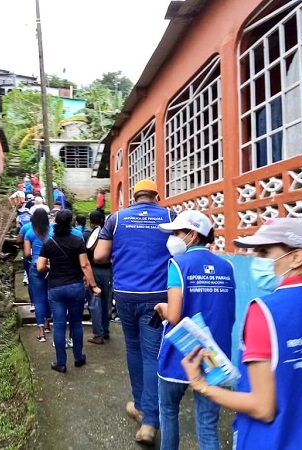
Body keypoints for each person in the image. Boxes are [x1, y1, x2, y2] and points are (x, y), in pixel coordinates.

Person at [182, 218, 302, 450]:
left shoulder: (264, 312)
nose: (257, 261)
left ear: (296, 257)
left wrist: (201, 385)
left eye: (265, 252)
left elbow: (262, 408)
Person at [94, 179, 176, 445]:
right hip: (157, 297)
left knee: (133, 349)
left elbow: (99, 255)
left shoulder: (116, 219)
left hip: (126, 296)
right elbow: (182, 250)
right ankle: (150, 421)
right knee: (152, 354)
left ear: (134, 196)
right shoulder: (170, 216)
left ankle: (141, 406)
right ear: (156, 196)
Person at [154, 211, 235, 450]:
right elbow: (227, 312)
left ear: (192, 235)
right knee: (208, 424)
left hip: (180, 352)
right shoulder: (227, 266)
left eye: (177, 233)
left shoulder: (178, 265)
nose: (173, 238)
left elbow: (175, 315)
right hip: (213, 353)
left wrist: (162, 307)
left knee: (168, 411)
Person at [37, 209, 101, 373]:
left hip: (56, 288)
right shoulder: (77, 240)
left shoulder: (48, 242)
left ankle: (61, 363)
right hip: (75, 287)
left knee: (58, 326)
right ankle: (79, 358)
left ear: (56, 221)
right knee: (76, 323)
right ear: (72, 222)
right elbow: (85, 265)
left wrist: (50, 268)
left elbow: (40, 266)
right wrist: (93, 285)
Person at [24, 209, 53, 342]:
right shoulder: (52, 231)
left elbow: (27, 254)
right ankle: (48, 324)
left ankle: (41, 333)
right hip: (49, 266)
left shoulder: (29, 232)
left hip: (35, 267)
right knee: (48, 296)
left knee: (39, 299)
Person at [86, 210, 113, 345]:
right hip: (108, 270)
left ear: (90, 221)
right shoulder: (110, 233)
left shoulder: (91, 234)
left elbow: (86, 256)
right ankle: (106, 330)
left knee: (95, 302)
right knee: (106, 301)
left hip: (94, 271)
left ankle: (98, 334)